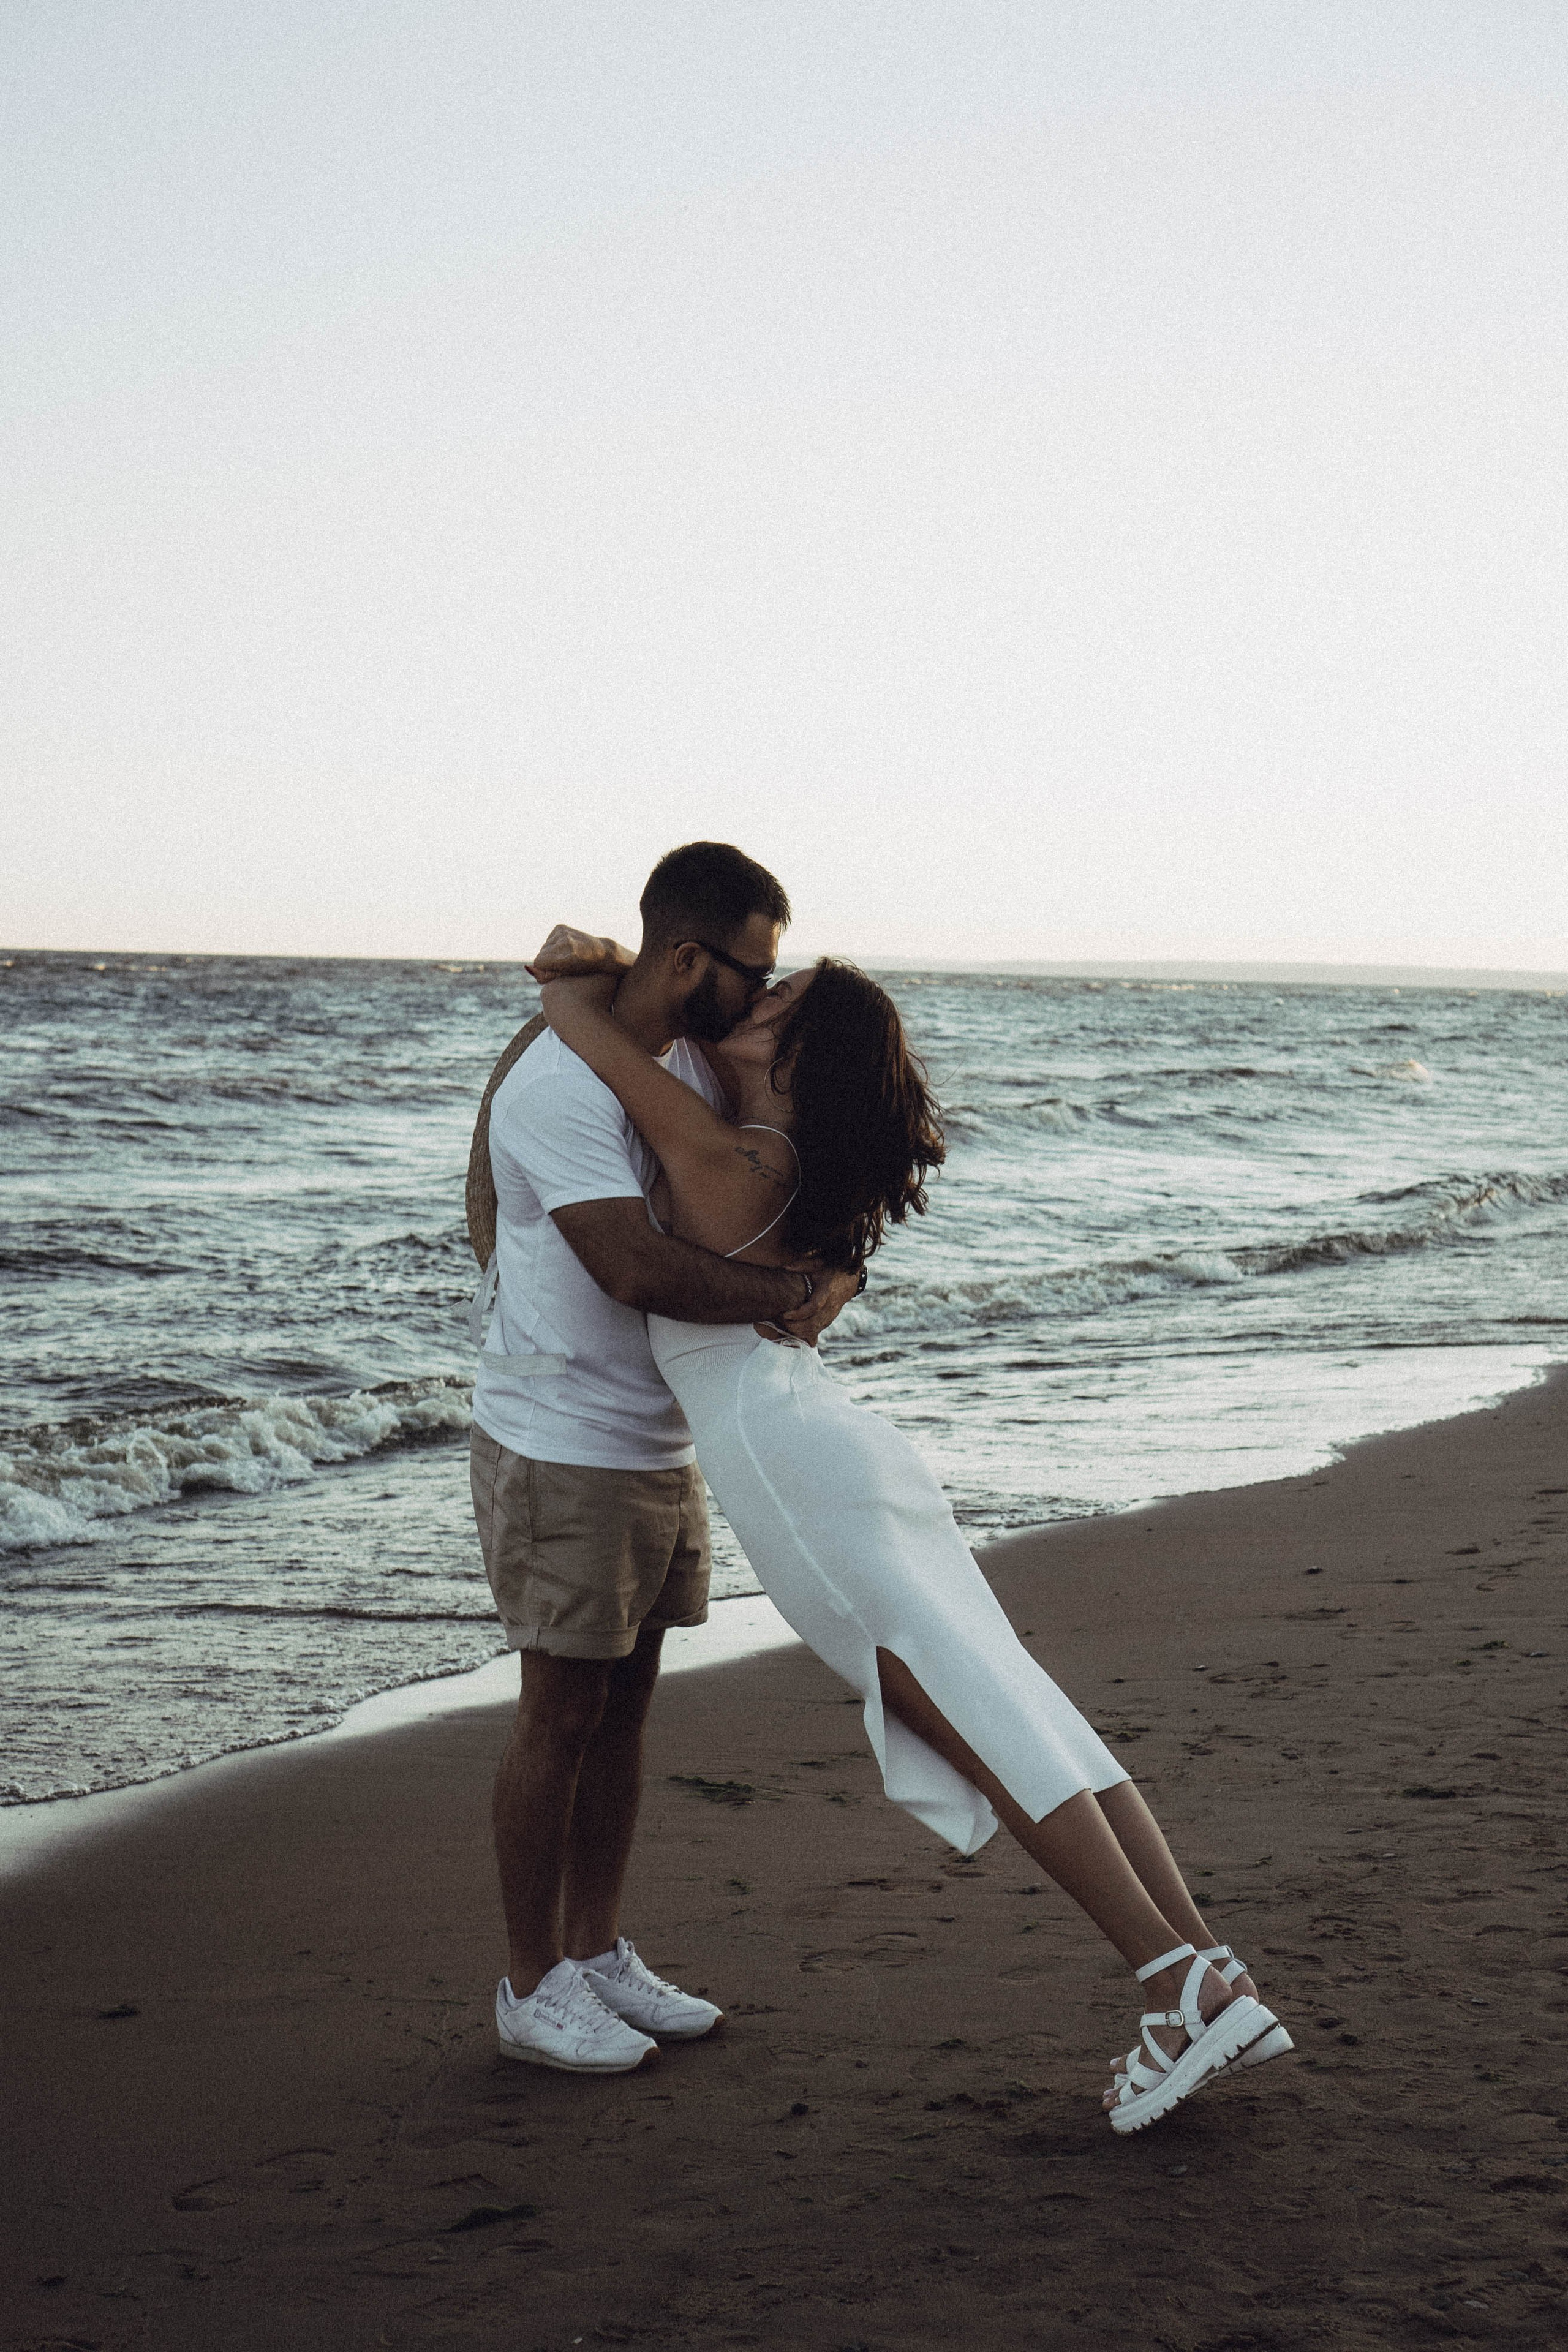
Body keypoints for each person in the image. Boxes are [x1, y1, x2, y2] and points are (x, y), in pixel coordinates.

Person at [527, 946, 1294, 2133]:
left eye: (773, 1001)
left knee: (972, 1716)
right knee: (1018, 1703)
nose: (750, 1000)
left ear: (796, 1054)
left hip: (794, 1467)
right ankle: (1207, 1970)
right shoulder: (786, 1164)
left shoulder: (734, 1156)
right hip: (833, 1443)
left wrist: (567, 985)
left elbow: (601, 1052)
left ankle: (1172, 1979)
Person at [466, 843, 859, 2075]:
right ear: (690, 957)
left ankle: (593, 1955)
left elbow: (751, 1189)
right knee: (558, 1714)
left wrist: (821, 1267)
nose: (766, 988)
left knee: (625, 1708)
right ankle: (529, 1986)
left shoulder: (671, 1061)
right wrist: (785, 1292)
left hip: (653, 1438)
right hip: (559, 1444)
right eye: (757, 966)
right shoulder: (560, 1086)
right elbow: (629, 1265)